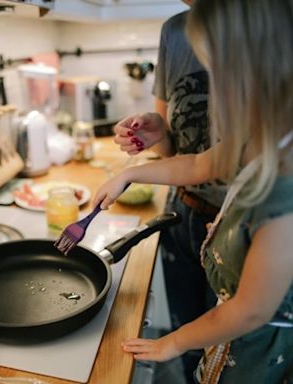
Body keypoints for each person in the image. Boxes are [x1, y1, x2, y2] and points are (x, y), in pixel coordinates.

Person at [94, 0, 293, 382]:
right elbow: (198, 164)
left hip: (256, 352)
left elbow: (250, 310)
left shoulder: (283, 193)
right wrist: (128, 175)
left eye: (219, 71)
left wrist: (175, 342)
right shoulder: (263, 136)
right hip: (230, 336)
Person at [114, 2, 221, 381]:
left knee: (227, 353)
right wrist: (155, 132)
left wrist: (132, 175)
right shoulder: (176, 31)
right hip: (184, 213)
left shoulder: (272, 23)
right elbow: (180, 153)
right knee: (187, 338)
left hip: (242, 226)